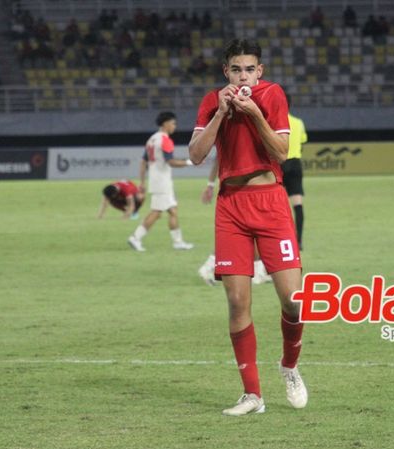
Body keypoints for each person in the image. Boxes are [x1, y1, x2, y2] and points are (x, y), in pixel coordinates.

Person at [189, 38, 307, 416]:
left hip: (270, 201)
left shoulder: (272, 96)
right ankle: (252, 394)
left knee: (294, 301)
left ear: (260, 71)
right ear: (226, 72)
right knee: (238, 301)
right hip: (231, 207)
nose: (243, 76)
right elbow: (195, 155)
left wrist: (253, 112)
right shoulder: (212, 101)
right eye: (236, 69)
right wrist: (221, 113)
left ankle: (289, 365)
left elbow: (280, 153)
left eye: (249, 70)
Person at [197, 157, 272, 286]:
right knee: (252, 231)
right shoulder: (240, 141)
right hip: (242, 191)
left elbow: (218, 159)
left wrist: (210, 185)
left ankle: (258, 271)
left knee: (250, 232)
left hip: (244, 190)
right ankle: (209, 267)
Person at [128, 111, 194, 252]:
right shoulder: (165, 140)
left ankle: (178, 242)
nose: (174, 126)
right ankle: (136, 237)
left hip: (156, 179)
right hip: (162, 182)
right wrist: (189, 162)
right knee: (157, 212)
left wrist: (142, 181)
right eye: (173, 123)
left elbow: (143, 161)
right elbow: (170, 162)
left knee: (172, 211)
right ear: (166, 123)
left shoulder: (152, 139)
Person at [283, 95, 308, 251]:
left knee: (274, 206)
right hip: (295, 164)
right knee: (298, 205)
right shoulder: (298, 122)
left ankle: (279, 240)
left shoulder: (273, 122)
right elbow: (302, 142)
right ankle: (298, 241)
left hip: (279, 164)